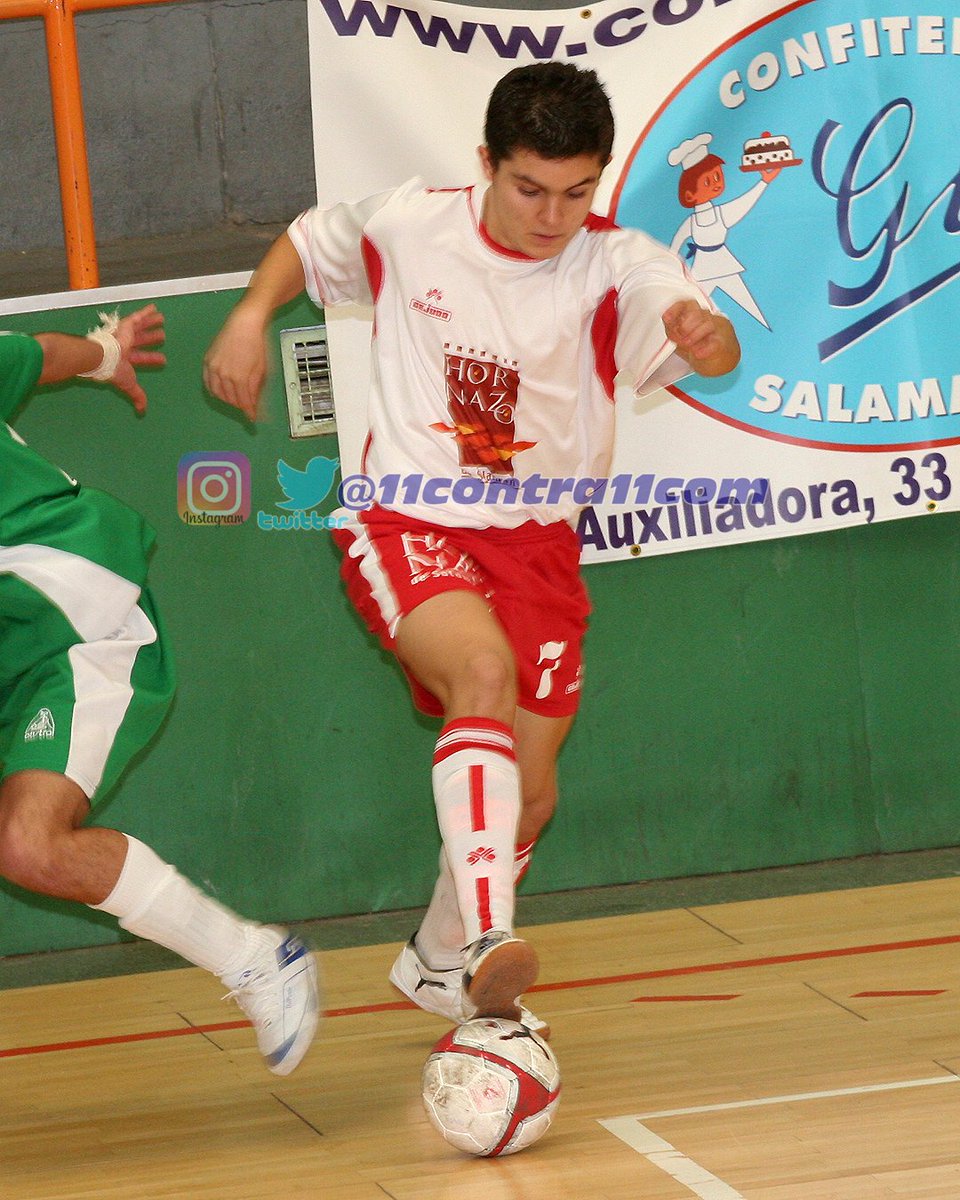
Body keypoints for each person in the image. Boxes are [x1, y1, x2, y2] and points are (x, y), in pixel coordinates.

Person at [203, 62, 740, 1038]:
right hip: (408, 515)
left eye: (577, 192)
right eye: (530, 187)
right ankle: (492, 938)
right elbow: (307, 240)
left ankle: (439, 959)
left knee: (528, 803)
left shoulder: (618, 266)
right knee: (481, 674)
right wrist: (249, 314)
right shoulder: (416, 226)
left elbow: (698, 331)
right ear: (487, 162)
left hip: (537, 546)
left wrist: (711, 342)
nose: (551, 214)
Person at [0, 306, 318, 1075]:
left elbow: (35, 353)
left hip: (79, 628)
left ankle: (254, 957)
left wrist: (106, 353)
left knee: (28, 844)